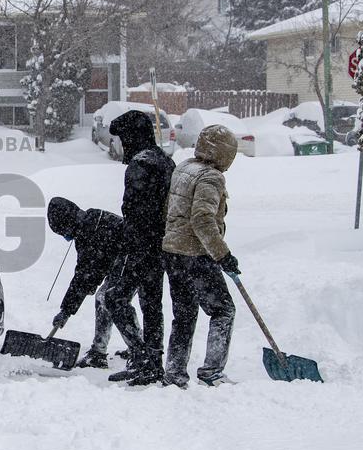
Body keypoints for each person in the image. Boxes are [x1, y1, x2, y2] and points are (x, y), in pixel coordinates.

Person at [161, 125, 240, 388]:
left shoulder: (184, 168)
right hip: (196, 255)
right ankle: (212, 371)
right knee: (223, 310)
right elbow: (203, 219)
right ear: (225, 153)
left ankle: (174, 373)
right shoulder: (211, 177)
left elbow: (171, 208)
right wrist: (223, 255)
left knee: (184, 315)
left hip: (173, 252)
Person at [102, 110, 175, 386]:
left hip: (142, 245)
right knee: (151, 302)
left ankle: (142, 356)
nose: (121, 145)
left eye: (122, 138)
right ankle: (152, 361)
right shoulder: (165, 160)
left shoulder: (140, 165)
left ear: (132, 137)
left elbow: (134, 211)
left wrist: (130, 245)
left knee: (115, 298)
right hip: (162, 244)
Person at [47, 197, 138, 368]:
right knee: (105, 298)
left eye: (64, 233)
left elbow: (85, 276)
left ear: (69, 224)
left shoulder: (91, 231)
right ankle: (102, 351)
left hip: (135, 261)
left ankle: (138, 351)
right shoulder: (88, 223)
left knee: (108, 298)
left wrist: (66, 311)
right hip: (126, 262)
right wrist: (67, 309)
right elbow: (88, 274)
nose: (66, 237)